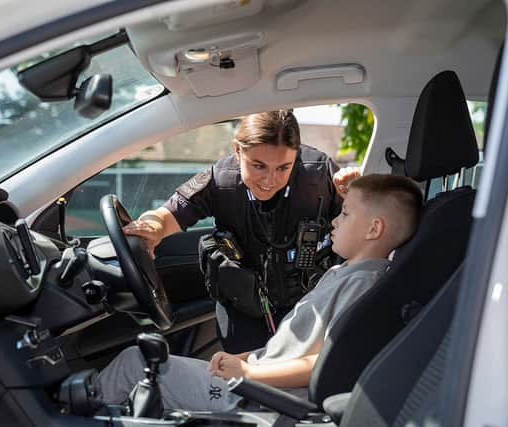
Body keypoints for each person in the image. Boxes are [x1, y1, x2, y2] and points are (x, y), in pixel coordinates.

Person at [97, 173, 423, 411]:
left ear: (374, 229)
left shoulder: (362, 286)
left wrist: (250, 373)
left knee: (135, 362)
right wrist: (249, 359)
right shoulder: (347, 273)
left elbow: (323, 362)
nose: (334, 221)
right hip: (258, 384)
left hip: (261, 399)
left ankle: (69, 411)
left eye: (346, 213)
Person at [124, 110, 360, 353]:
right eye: (258, 166)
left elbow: (369, 231)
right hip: (242, 306)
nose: (270, 179)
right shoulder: (220, 179)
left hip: (311, 303)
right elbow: (167, 214)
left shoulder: (320, 174)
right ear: (237, 150)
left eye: (283, 168)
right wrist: (151, 227)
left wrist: (354, 196)